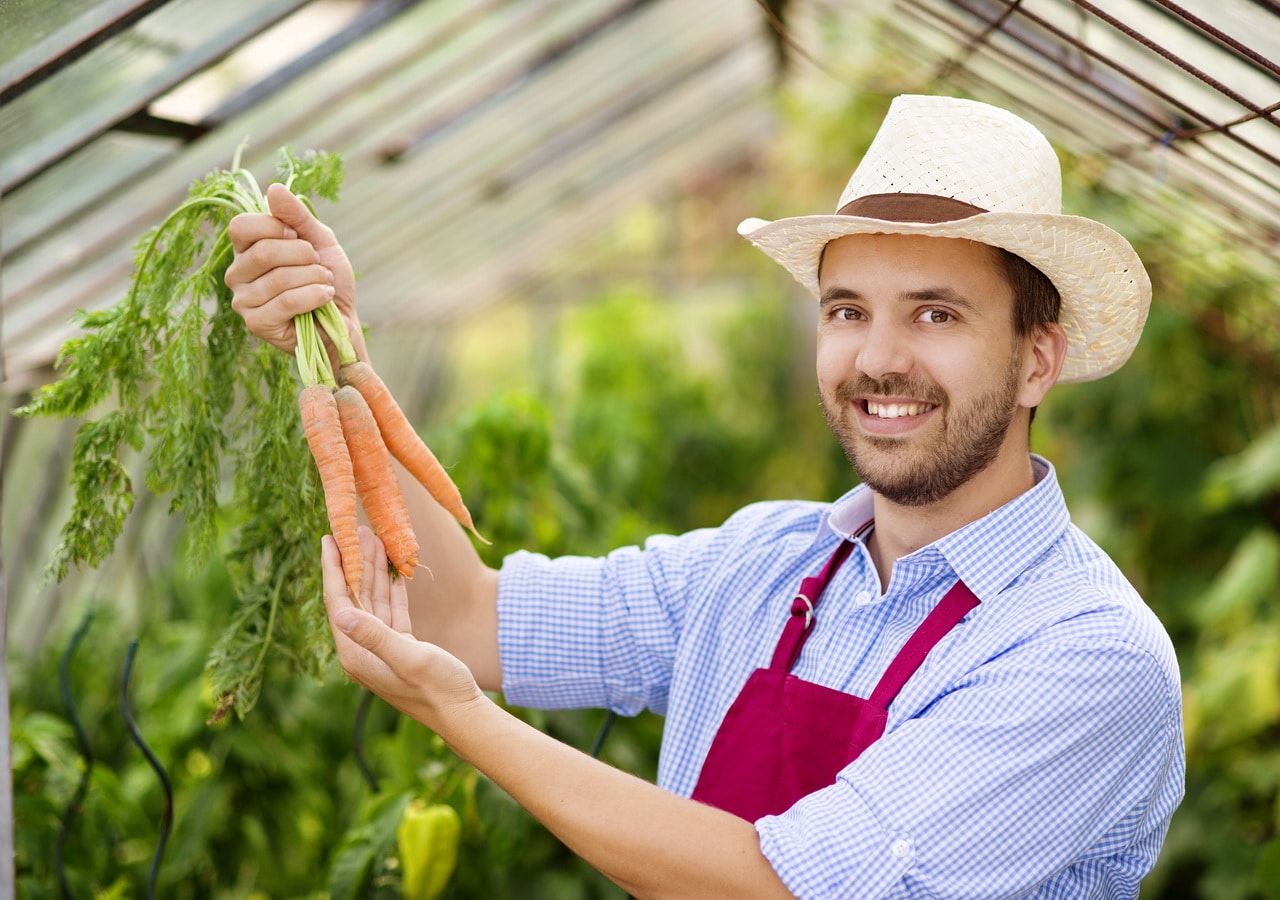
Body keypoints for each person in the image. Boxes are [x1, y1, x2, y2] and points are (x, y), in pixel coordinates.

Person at [225, 94, 1185, 898]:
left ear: (1036, 361)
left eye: (936, 314)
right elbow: (464, 619)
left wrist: (463, 718)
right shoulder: (761, 563)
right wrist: (339, 347)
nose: (879, 359)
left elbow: (782, 889)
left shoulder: (1084, 651)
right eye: (848, 311)